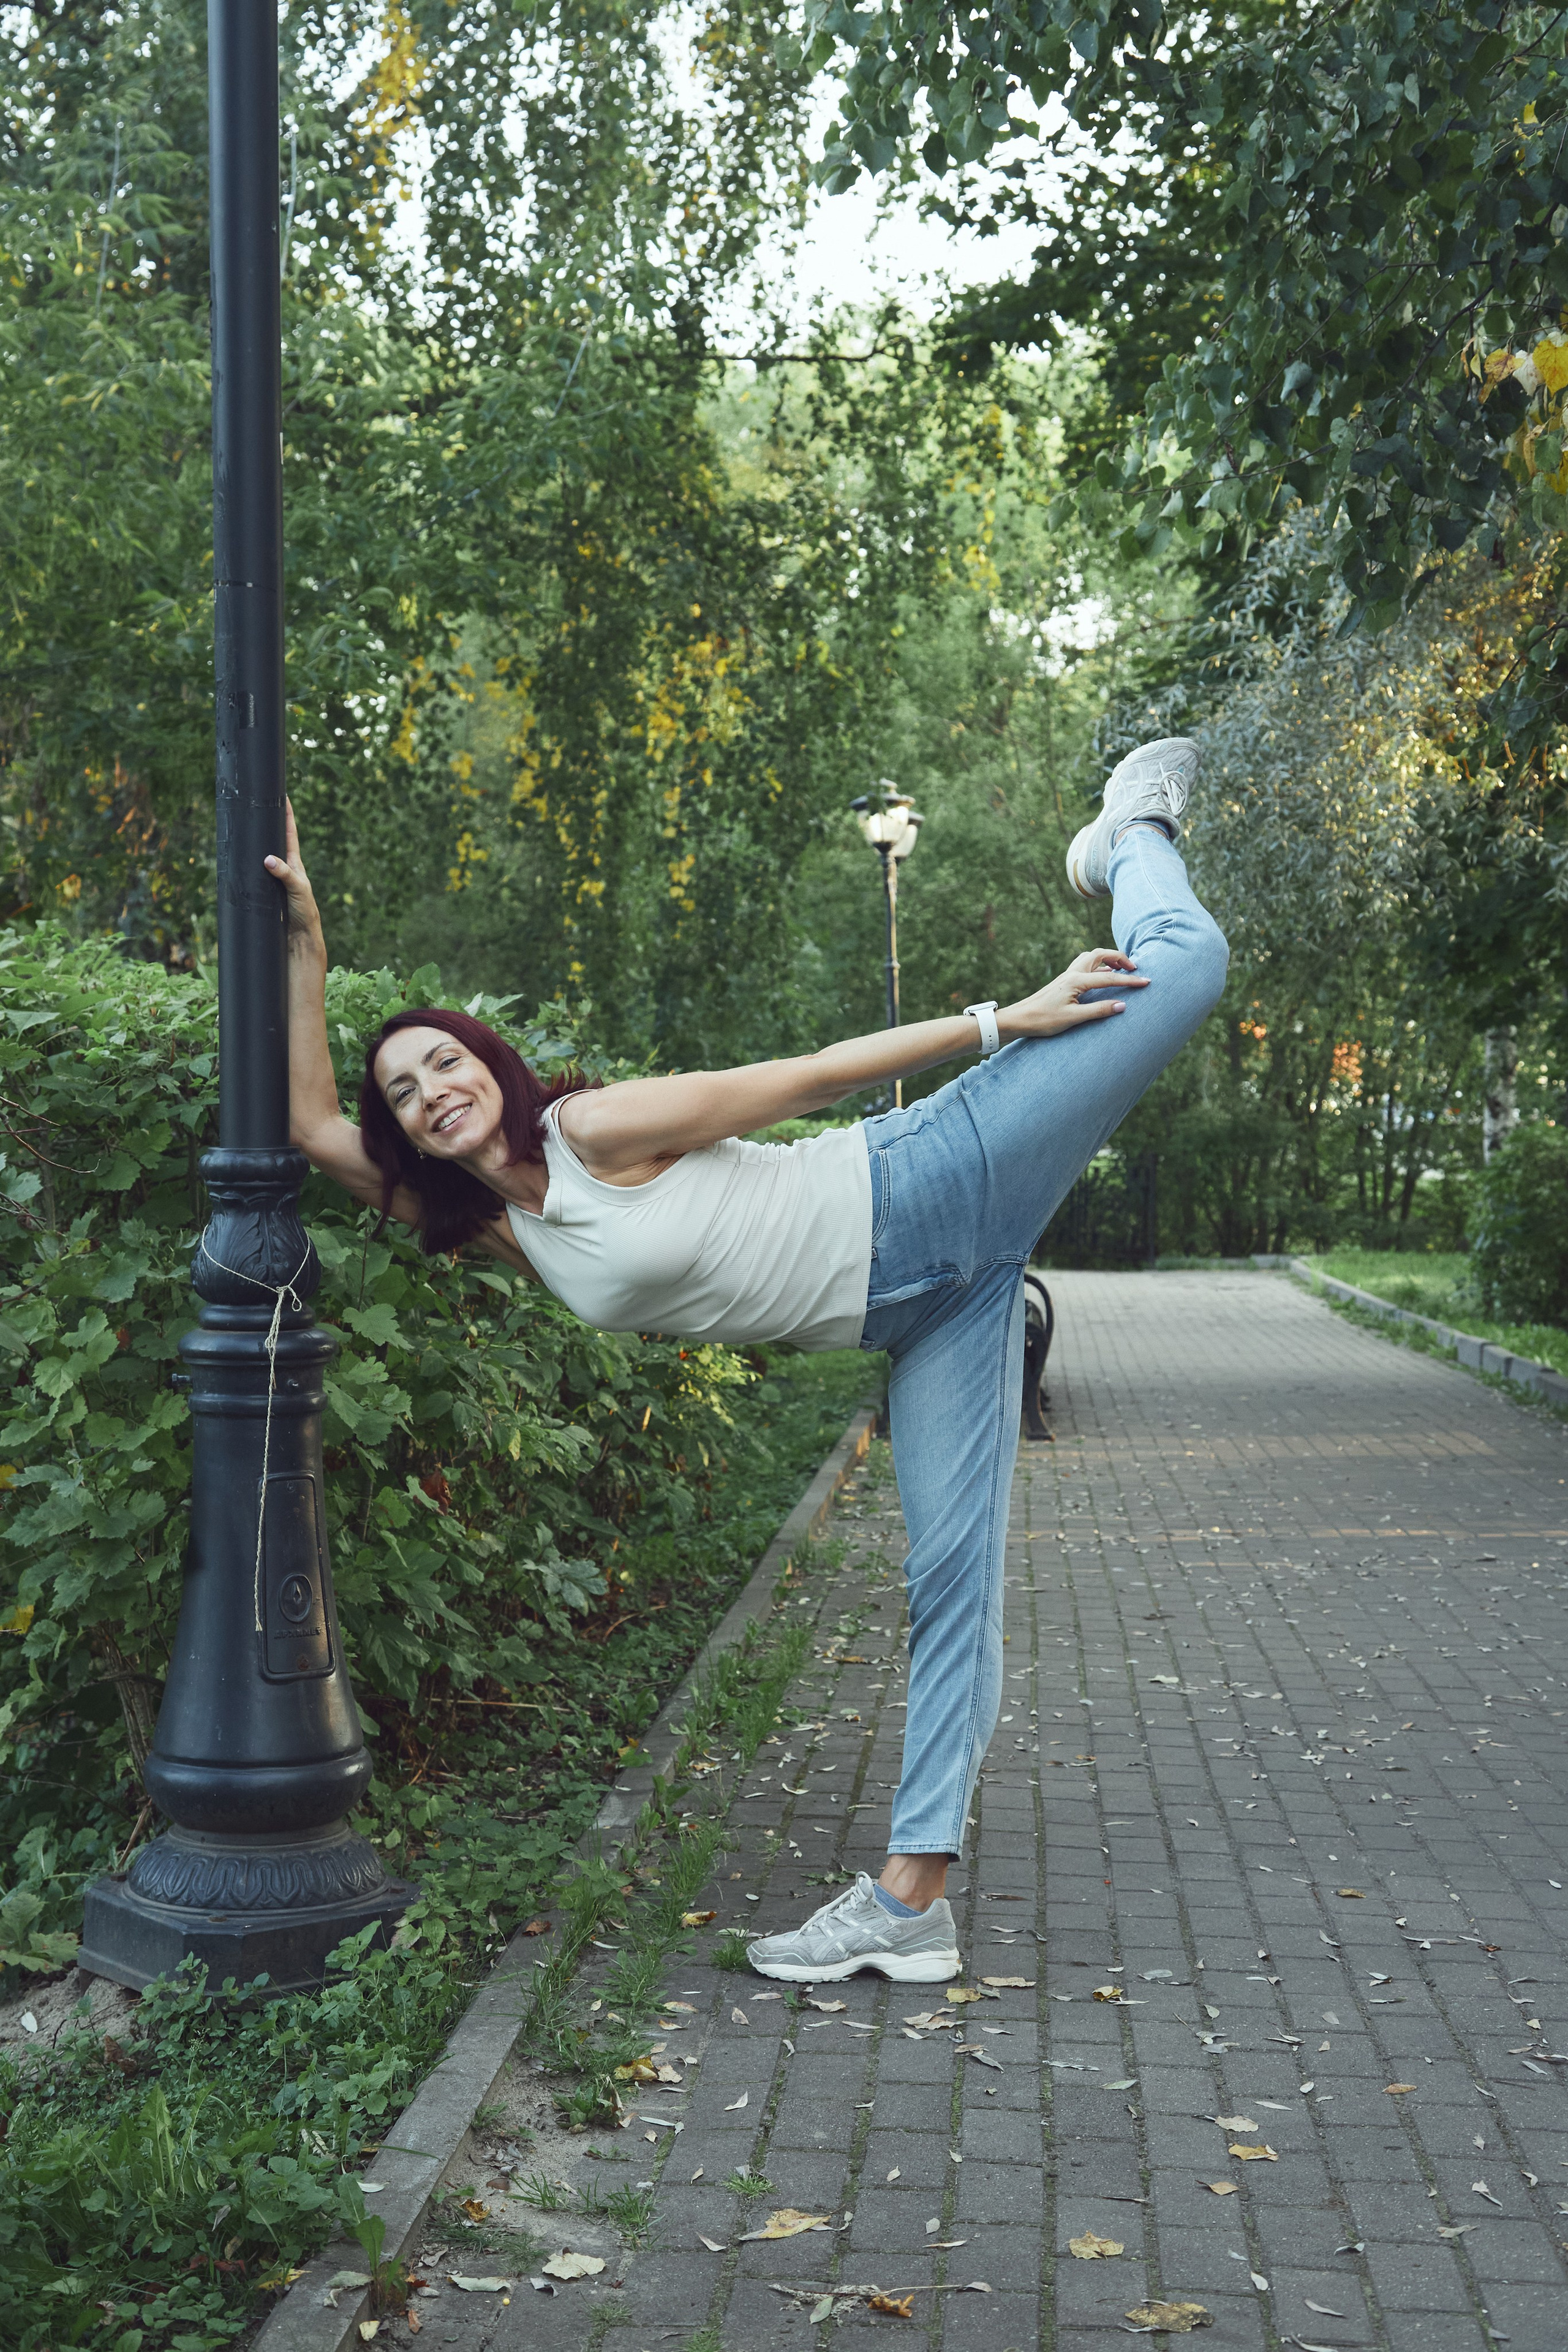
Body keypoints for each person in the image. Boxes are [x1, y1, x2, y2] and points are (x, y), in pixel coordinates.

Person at [266, 736, 1227, 1986]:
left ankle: (1124, 838)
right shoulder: (499, 1232)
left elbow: (797, 1081)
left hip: (929, 1180)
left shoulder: (588, 1130)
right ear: (402, 1130)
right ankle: (910, 1903)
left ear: (488, 1060)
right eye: (403, 1088)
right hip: (927, 1311)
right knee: (949, 1583)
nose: (430, 1088)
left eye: (444, 1057)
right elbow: (299, 1122)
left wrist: (1008, 1018)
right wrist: (300, 936)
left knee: (1185, 966)